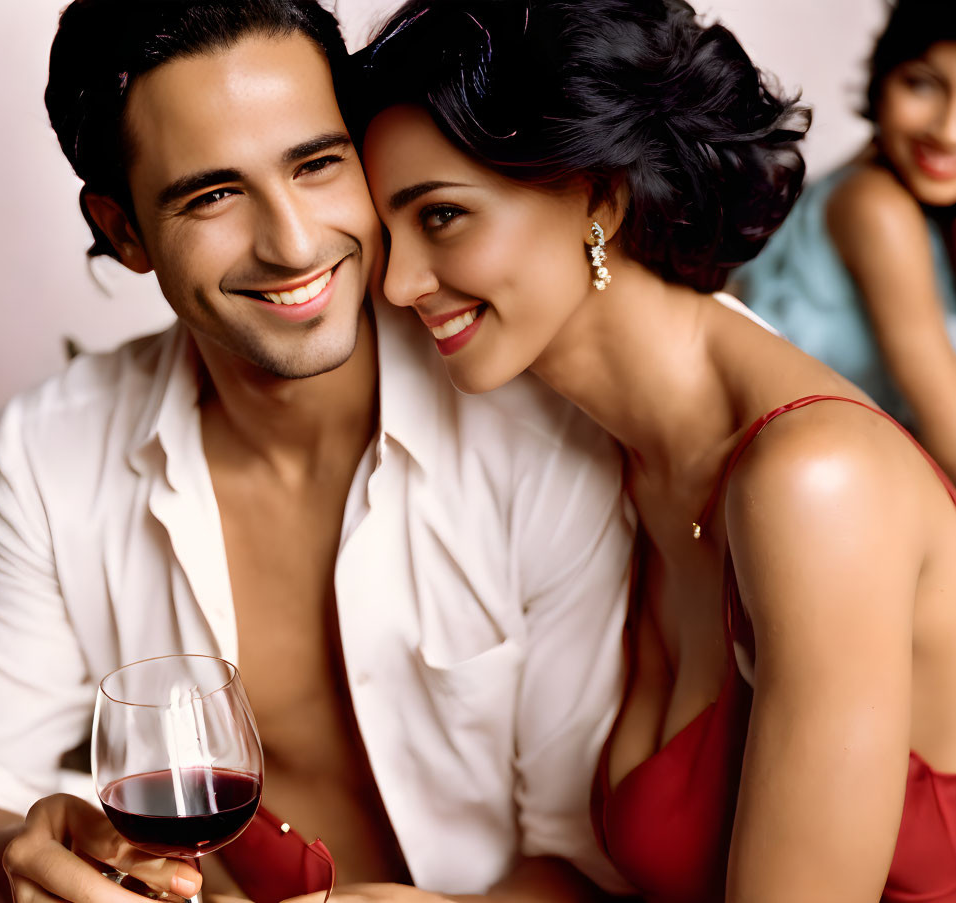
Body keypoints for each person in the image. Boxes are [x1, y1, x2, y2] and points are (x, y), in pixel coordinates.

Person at [0, 2, 635, 902]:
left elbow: (593, 863)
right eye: (212, 194)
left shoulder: (539, 428)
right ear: (124, 230)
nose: (292, 244)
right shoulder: (50, 453)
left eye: (317, 163)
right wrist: (15, 862)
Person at [356, 1, 956, 900]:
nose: (398, 283)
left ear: (601, 193)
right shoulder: (613, 459)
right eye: (385, 234)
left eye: (440, 216)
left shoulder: (815, 483)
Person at [733, 0, 956, 482]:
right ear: (882, 79)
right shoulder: (875, 206)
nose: (947, 130)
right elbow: (949, 431)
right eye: (922, 83)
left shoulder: (901, 196)